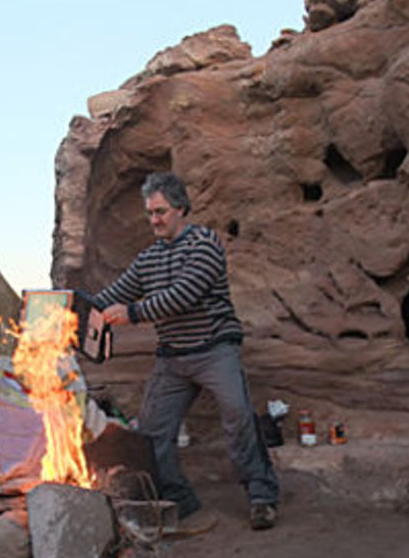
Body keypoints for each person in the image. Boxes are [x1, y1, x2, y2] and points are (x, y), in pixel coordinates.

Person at [92, 172, 280, 530]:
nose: (154, 220)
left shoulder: (205, 244)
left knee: (238, 417)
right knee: (151, 434)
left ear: (181, 208)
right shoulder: (148, 259)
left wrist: (131, 314)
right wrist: (71, 310)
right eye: (149, 213)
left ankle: (262, 497)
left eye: (160, 211)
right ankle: (180, 500)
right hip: (172, 357)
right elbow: (114, 293)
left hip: (215, 350)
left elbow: (182, 296)